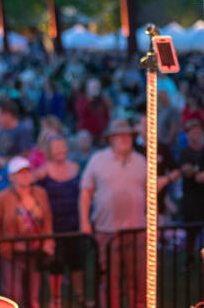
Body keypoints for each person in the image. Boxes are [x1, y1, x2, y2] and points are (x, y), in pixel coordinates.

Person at [79, 118, 146, 308]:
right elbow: (85, 192)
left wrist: (152, 221)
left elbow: (150, 194)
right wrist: (84, 221)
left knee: (139, 280)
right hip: (106, 231)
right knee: (108, 279)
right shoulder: (97, 160)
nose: (124, 139)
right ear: (111, 139)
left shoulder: (141, 162)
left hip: (137, 231)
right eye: (119, 135)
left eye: (128, 135)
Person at [0, 157, 54, 308]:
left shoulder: (40, 193)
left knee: (33, 293)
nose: (25, 175)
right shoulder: (2, 198)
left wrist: (49, 242)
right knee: (12, 293)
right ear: (11, 177)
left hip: (35, 251)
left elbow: (47, 219)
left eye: (27, 171)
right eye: (20, 173)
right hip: (12, 253)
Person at [35, 135, 85, 308]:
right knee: (55, 263)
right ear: (49, 152)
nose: (60, 152)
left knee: (77, 261)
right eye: (56, 149)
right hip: (54, 225)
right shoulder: (43, 172)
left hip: (74, 224)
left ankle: (80, 295)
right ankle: (55, 299)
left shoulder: (76, 168)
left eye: (62, 148)